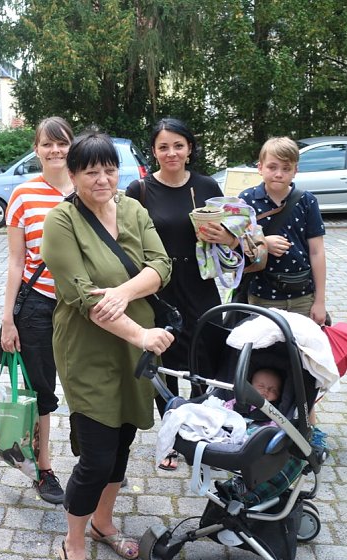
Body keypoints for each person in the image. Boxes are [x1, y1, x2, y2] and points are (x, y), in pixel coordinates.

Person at [41, 130, 175, 560]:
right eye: (90, 171)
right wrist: (141, 335)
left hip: (135, 348)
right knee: (96, 455)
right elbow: (82, 296)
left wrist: (120, 292)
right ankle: (72, 542)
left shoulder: (134, 209)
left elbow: (162, 266)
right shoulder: (61, 221)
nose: (102, 179)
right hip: (89, 348)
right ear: (74, 174)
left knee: (122, 443)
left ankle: (103, 522)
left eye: (109, 169)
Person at [126, 117, 236, 471]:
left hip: (201, 284)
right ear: (154, 152)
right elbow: (127, 240)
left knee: (204, 360)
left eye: (178, 145)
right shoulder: (139, 190)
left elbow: (236, 238)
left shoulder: (207, 186)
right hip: (159, 285)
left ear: (189, 149)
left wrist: (228, 238)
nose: (171, 152)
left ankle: (199, 433)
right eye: (163, 146)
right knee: (165, 363)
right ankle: (171, 436)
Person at [0, 116, 74, 504]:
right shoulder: (24, 195)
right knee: (43, 390)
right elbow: (16, 261)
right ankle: (44, 468)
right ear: (36, 149)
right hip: (38, 304)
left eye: (62, 143)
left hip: (81, 306)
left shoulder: (88, 188)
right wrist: (7, 317)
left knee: (85, 384)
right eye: (48, 144)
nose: (55, 151)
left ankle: (94, 460)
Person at [237, 137, 327, 325]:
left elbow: (317, 252)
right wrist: (263, 242)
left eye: (286, 168)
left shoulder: (307, 201)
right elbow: (235, 245)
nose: (279, 174)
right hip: (263, 296)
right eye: (272, 167)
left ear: (295, 171)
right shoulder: (246, 200)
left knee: (301, 351)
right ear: (260, 167)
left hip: (303, 297)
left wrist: (319, 301)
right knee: (264, 352)